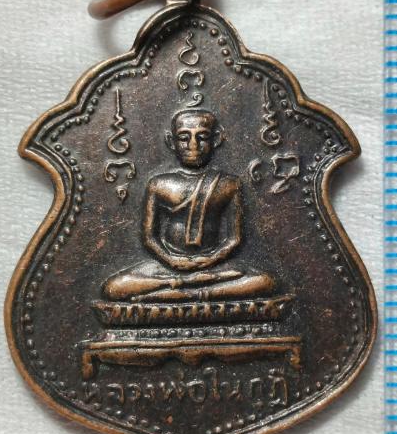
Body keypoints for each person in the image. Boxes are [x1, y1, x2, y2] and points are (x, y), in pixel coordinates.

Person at [103, 108, 276, 302]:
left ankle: (182, 292)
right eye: (184, 138)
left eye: (202, 137)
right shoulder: (159, 184)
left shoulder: (229, 184)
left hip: (215, 267)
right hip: (166, 267)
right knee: (114, 288)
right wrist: (171, 260)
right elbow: (149, 238)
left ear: (216, 139)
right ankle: (189, 287)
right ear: (171, 142)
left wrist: (211, 259)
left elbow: (234, 239)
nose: (193, 145)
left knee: (264, 282)